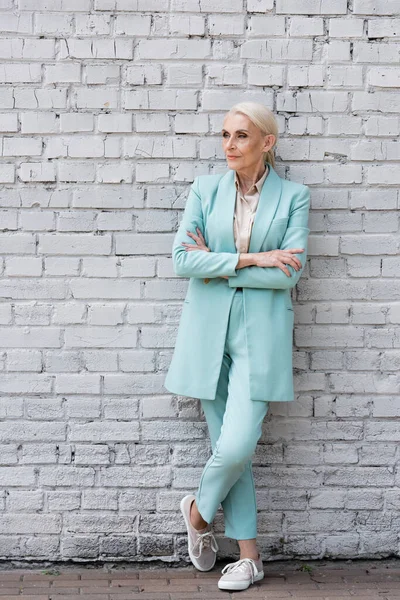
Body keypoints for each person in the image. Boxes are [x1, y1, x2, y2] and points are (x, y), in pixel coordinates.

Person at [164, 102, 311, 592]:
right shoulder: (204, 190)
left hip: (260, 338)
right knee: (231, 451)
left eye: (241, 136)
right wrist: (253, 257)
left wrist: (223, 262)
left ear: (267, 143)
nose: (229, 145)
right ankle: (250, 559)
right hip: (208, 335)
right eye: (225, 134)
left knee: (235, 445)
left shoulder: (294, 197)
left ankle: (198, 513)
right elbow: (184, 259)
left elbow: (288, 272)